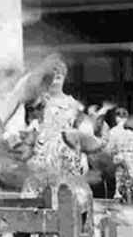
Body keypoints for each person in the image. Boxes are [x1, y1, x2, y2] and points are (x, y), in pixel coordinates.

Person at [21, 60, 86, 207]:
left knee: (66, 202)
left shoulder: (74, 105)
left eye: (60, 73)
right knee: (34, 203)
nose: (56, 76)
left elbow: (79, 135)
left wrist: (83, 157)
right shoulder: (37, 102)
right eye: (53, 73)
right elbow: (30, 129)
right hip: (42, 157)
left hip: (66, 159)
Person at [107, 107, 133, 205]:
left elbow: (110, 149)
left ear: (117, 117)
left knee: (121, 187)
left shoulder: (113, 131)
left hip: (120, 159)